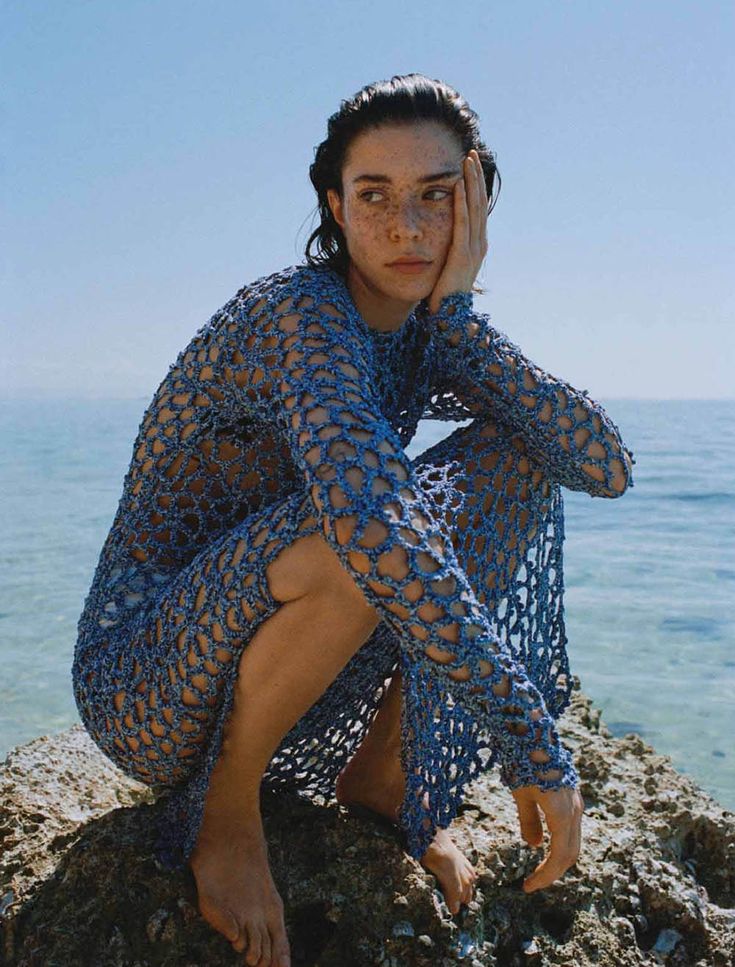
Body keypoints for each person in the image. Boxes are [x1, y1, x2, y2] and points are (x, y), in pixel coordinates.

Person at [72, 73, 635, 967]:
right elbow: (370, 526)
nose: (407, 228)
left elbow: (599, 465)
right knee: (362, 528)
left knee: (514, 458)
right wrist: (529, 739)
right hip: (149, 681)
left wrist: (457, 313)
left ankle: (382, 773)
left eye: (436, 196)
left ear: (476, 202)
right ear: (333, 207)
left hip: (293, 659)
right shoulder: (296, 317)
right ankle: (222, 817)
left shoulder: (424, 330)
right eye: (373, 196)